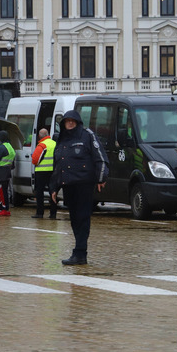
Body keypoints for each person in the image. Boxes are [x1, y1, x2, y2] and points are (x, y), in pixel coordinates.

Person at [50, 110, 109, 265]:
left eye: (72, 121)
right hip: (68, 185)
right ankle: (79, 252)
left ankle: (80, 252)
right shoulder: (61, 139)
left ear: (77, 122)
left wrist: (101, 177)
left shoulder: (87, 135)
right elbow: (57, 166)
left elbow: (100, 158)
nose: (69, 124)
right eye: (66, 121)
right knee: (74, 219)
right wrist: (54, 188)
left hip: (84, 183)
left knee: (82, 218)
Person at [31, 128, 57, 219]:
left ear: (39, 136)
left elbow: (35, 160)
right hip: (53, 171)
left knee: (39, 193)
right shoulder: (55, 144)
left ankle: (40, 213)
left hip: (41, 172)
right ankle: (53, 214)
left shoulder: (42, 145)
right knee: (53, 192)